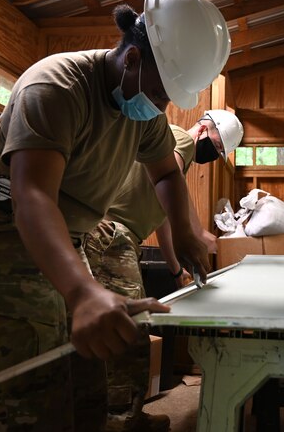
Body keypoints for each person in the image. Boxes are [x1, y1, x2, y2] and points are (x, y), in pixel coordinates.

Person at [0, 0, 231, 431]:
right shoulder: (55, 87)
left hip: (64, 238)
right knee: (33, 405)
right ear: (131, 58)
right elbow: (31, 196)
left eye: (168, 97)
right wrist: (81, 293)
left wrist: (186, 232)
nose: (159, 106)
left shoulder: (144, 112)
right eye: (157, 91)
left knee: (90, 386)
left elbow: (166, 174)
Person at [83, 110, 244, 432]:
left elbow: (164, 220)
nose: (211, 155)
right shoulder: (179, 136)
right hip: (109, 236)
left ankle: (124, 415)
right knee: (128, 331)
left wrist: (176, 272)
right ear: (201, 129)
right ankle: (120, 422)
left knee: (120, 329)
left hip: (118, 237)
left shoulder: (168, 174)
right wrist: (195, 232)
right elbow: (173, 203)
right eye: (214, 145)